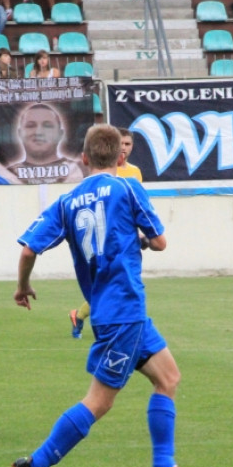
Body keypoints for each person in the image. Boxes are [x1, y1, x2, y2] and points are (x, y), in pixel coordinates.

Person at [12, 124, 205, 467]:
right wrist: (139, 240)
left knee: (168, 377)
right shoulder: (127, 187)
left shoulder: (66, 202)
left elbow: (28, 250)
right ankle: (35, 465)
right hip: (124, 311)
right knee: (99, 402)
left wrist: (23, 286)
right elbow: (161, 242)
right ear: (121, 158)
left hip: (112, 310)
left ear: (83, 159)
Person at [68, 127, 142, 340]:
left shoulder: (134, 173)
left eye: (128, 144)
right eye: (122, 144)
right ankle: (84, 317)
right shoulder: (101, 178)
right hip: (103, 238)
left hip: (123, 238)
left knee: (111, 282)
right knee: (110, 282)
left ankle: (81, 316)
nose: (125, 149)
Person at [5, 102, 83, 184]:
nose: (39, 132)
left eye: (47, 126)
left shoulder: (81, 170)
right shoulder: (7, 174)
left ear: (60, 134)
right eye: (31, 125)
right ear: (20, 133)